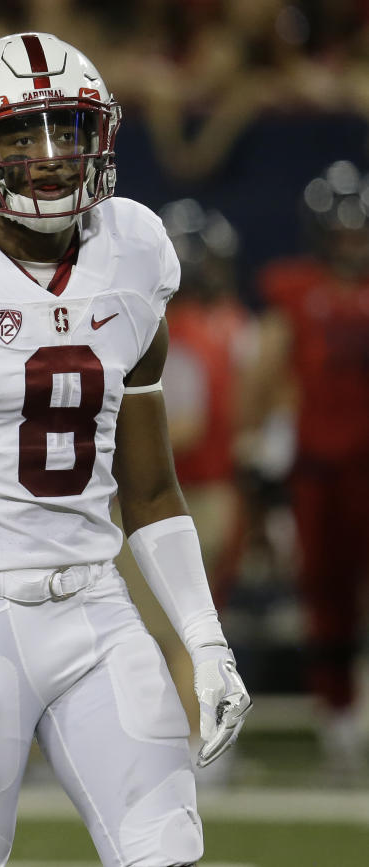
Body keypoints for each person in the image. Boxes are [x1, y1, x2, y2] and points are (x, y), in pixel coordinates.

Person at [0, 33, 252, 866]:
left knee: (167, 850)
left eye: (68, 127)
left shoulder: (134, 254)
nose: (52, 155)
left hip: (96, 604)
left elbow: (152, 492)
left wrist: (205, 639)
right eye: (21, 133)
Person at [115, 199, 253, 776]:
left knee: (165, 630)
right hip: (217, 494)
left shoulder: (173, 330)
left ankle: (200, 745)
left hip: (175, 499)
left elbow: (184, 427)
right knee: (192, 623)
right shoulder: (237, 326)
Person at [251, 160, 369, 781]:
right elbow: (268, 375)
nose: (351, 242)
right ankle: (340, 722)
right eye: (342, 231)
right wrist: (266, 449)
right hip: (321, 470)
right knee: (326, 597)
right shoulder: (294, 289)